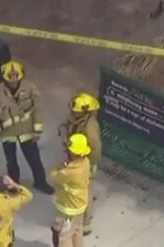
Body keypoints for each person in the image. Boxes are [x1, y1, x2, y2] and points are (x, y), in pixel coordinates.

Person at [0, 60, 54, 194]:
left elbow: (38, 109)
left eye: (16, 77)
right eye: (10, 78)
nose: (13, 81)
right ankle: (13, 184)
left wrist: (37, 130)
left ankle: (40, 182)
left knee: (34, 159)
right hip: (7, 133)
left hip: (26, 131)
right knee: (11, 162)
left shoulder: (30, 88)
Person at [59, 92, 102, 235]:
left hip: (85, 163)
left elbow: (95, 151)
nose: (72, 113)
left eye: (75, 111)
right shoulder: (77, 118)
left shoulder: (90, 129)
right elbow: (67, 126)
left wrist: (87, 166)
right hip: (75, 158)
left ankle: (87, 223)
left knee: (86, 192)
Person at [49, 133, 92, 247]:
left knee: (64, 236)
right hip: (80, 205)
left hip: (68, 208)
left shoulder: (70, 172)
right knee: (77, 231)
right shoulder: (85, 162)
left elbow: (54, 176)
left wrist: (60, 166)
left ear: (73, 152)